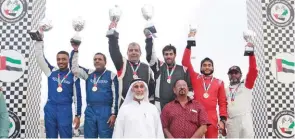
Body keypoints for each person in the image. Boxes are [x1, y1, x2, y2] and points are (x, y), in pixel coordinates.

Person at [34, 36, 82, 138]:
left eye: (63, 59)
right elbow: (40, 58)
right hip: (50, 108)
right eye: (58, 59)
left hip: (65, 109)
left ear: (68, 60)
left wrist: (78, 115)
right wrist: (39, 41)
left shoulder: (73, 76)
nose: (60, 61)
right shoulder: (51, 71)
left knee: (66, 136)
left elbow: (78, 98)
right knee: (50, 136)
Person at [182, 31, 227, 138]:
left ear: (213, 67)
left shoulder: (219, 82)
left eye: (209, 65)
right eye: (204, 65)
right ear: (201, 67)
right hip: (195, 114)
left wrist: (223, 120)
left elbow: (222, 103)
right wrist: (189, 44)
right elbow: (185, 62)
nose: (207, 67)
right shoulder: (196, 77)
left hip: (211, 116)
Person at [70, 39, 119, 138]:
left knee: (106, 137)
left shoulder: (111, 75)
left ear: (105, 62)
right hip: (90, 110)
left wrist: (114, 114)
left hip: (106, 111)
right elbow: (74, 68)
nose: (97, 61)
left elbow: (115, 96)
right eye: (95, 59)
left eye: (100, 59)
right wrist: (75, 51)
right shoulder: (89, 73)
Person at [107, 22, 155, 106]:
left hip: (143, 105)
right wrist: (112, 36)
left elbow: (151, 88)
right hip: (125, 105)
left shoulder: (146, 68)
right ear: (127, 53)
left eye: (136, 50)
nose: (133, 52)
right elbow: (114, 51)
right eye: (131, 50)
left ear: (140, 53)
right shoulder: (122, 64)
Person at [144, 29, 192, 111]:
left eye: (171, 54)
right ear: (163, 56)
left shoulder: (183, 69)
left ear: (175, 55)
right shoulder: (158, 66)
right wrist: (149, 38)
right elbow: (150, 57)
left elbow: (190, 89)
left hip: (178, 106)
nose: (168, 56)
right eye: (166, 54)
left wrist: (188, 105)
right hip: (159, 106)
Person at [225, 42, 258, 138]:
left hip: (245, 118)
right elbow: (222, 107)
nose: (234, 75)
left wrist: (251, 54)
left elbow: (253, 70)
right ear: (228, 75)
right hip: (231, 121)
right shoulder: (225, 90)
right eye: (231, 73)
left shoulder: (246, 84)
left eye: (236, 72)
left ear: (240, 75)